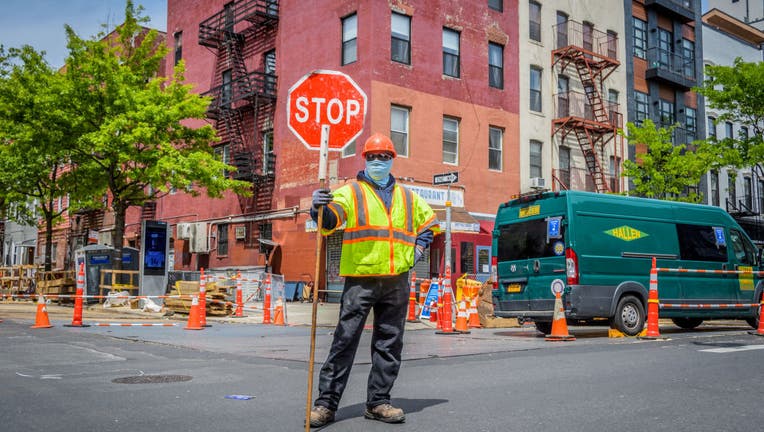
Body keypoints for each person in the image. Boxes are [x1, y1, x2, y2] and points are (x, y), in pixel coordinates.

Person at [308, 133, 438, 427]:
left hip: (396, 281)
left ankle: (379, 402)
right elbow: (330, 219)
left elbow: (429, 224)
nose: (378, 161)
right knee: (344, 341)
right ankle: (326, 404)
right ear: (364, 160)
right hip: (361, 279)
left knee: (389, 343)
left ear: (392, 159)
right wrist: (318, 208)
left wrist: (416, 252)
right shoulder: (350, 192)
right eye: (372, 157)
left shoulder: (407, 196)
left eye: (384, 156)